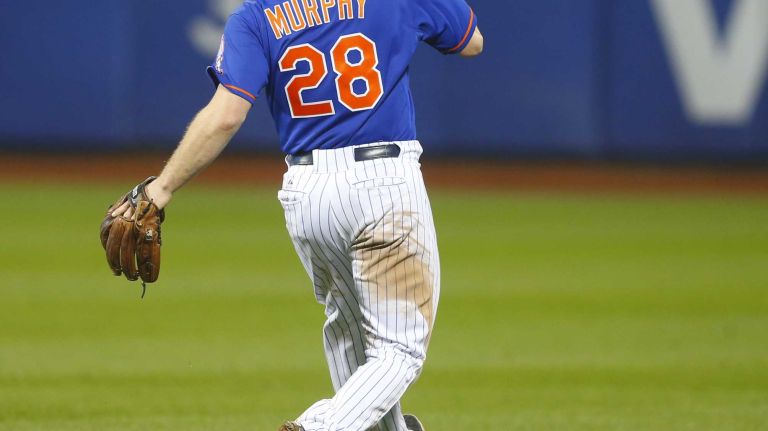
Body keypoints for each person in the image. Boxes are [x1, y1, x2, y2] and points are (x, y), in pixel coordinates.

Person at [110, 0, 482, 429]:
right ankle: (316, 426)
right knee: (400, 350)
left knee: (351, 333)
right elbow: (470, 42)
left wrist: (162, 188)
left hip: (308, 192)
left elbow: (226, 115)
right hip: (384, 185)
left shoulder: (255, 16)